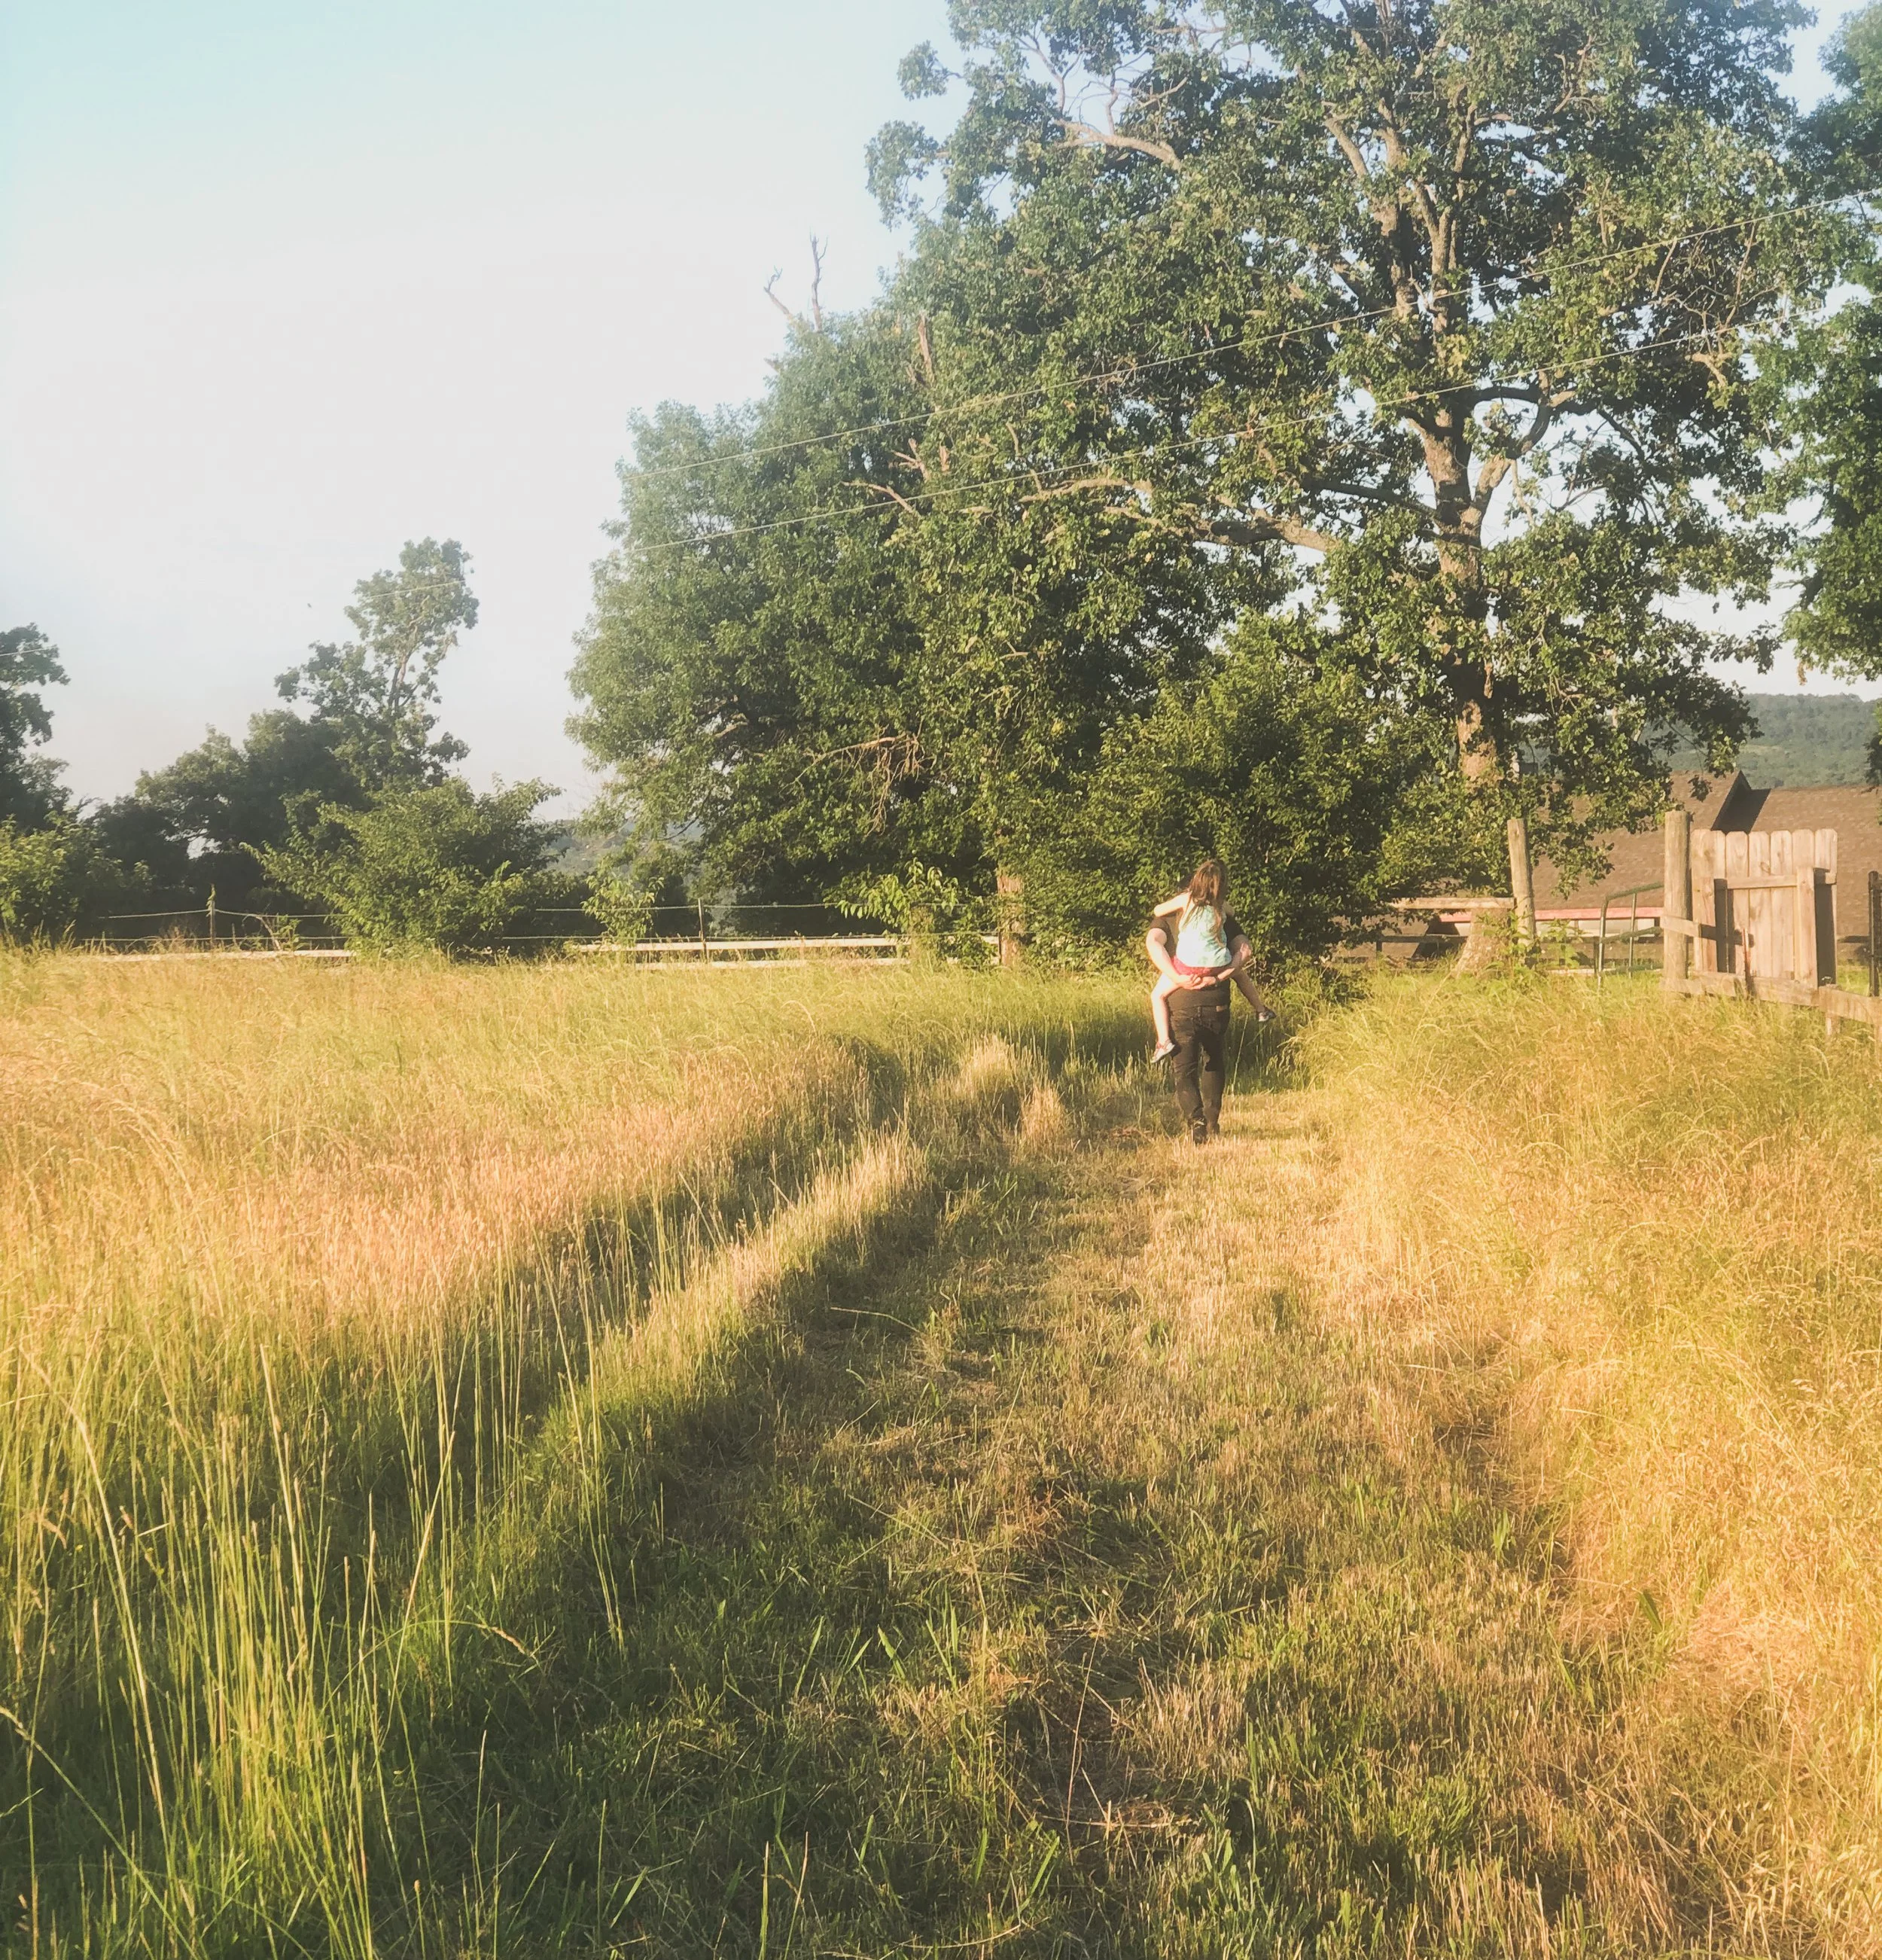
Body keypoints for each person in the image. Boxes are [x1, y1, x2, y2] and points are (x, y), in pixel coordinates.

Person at [1144, 861, 1270, 1145]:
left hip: (1181, 1001)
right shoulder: (1221, 911)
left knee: (1184, 1068)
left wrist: (1176, 975)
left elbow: (1153, 941)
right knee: (1214, 1058)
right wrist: (1224, 974)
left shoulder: (1170, 917)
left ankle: (1196, 1121)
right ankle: (1213, 1121)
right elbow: (1244, 949)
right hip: (1217, 999)